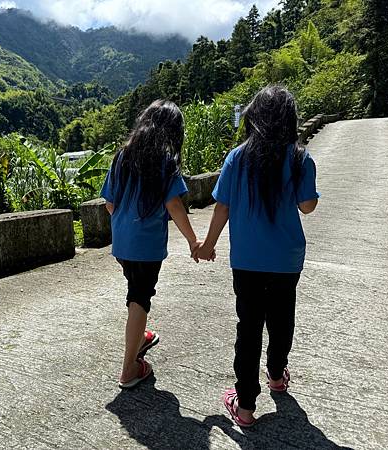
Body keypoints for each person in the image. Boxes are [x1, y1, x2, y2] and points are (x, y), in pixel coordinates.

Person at [195, 86, 319, 427]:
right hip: (286, 259)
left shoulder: (237, 157)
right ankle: (277, 375)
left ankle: (245, 406)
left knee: (248, 328)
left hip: (247, 260)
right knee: (282, 320)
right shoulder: (300, 158)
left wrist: (207, 245)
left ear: (255, 116)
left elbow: (222, 207)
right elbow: (307, 206)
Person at [101, 100, 210, 389]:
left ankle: (139, 337)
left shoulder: (123, 156)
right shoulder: (164, 161)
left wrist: (126, 225)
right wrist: (193, 240)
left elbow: (110, 203)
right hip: (146, 246)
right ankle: (129, 368)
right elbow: (174, 204)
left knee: (135, 291)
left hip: (122, 243)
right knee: (140, 298)